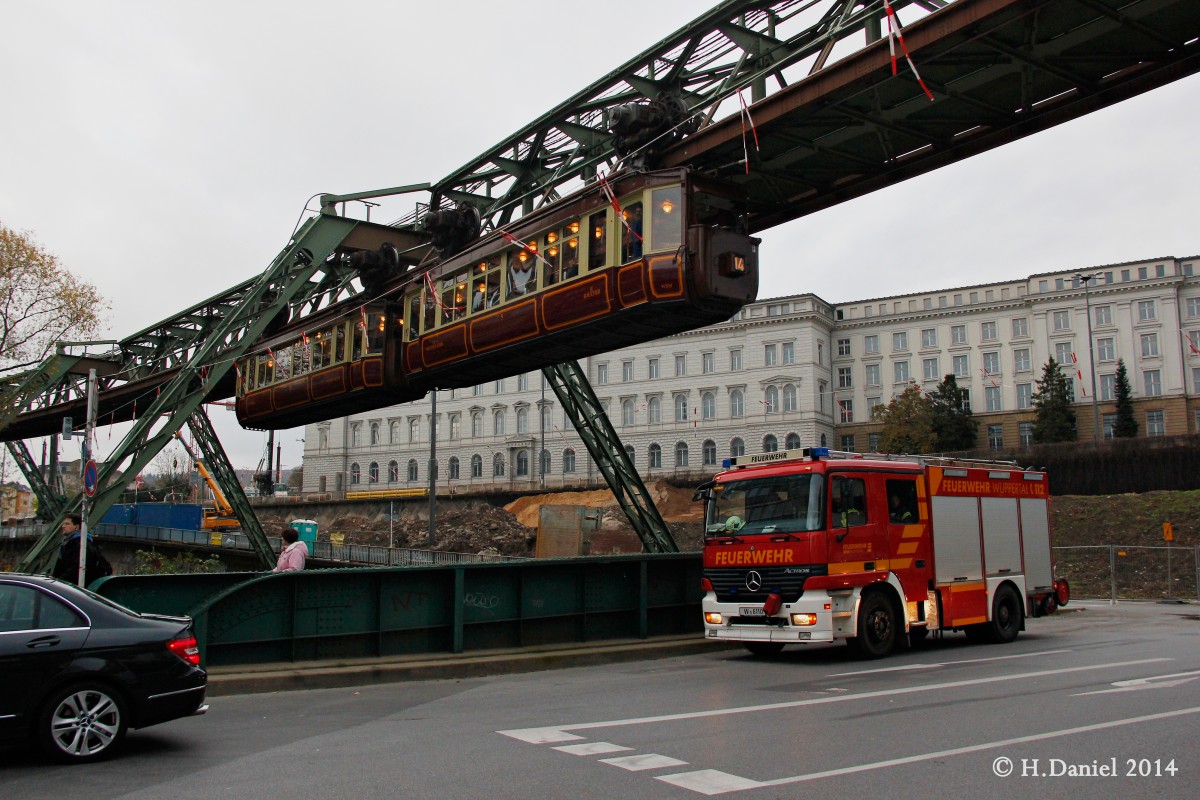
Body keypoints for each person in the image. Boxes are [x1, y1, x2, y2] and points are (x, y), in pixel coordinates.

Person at [51, 513, 112, 586]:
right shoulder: (69, 543)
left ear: (76, 527)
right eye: (63, 524)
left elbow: (76, 568)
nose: (63, 526)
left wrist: (60, 582)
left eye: (67, 524)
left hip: (76, 587)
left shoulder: (81, 544)